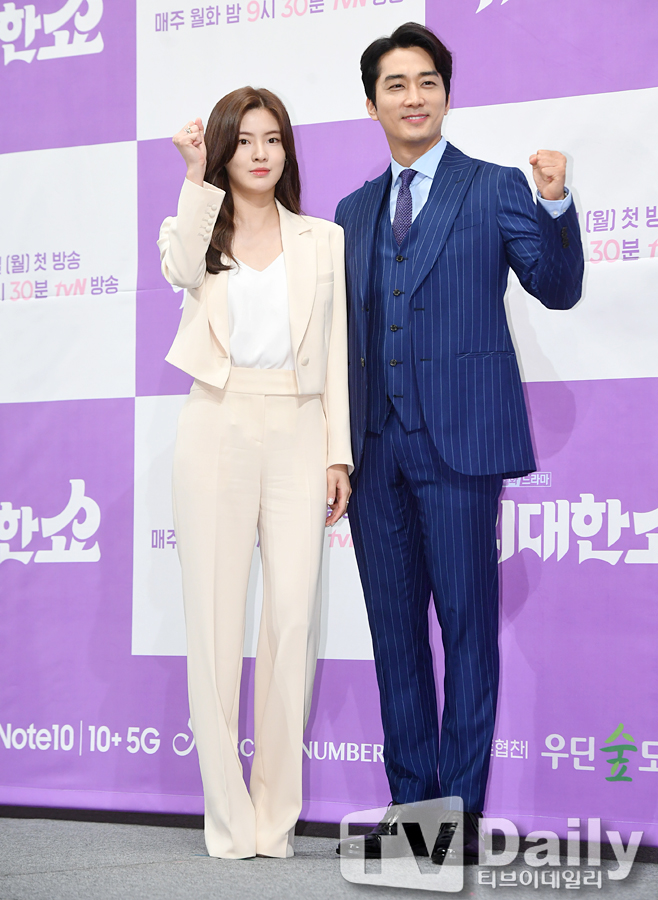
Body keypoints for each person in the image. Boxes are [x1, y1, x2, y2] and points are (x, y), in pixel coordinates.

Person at [335, 23, 583, 863]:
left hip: (462, 446)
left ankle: (459, 819)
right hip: (375, 452)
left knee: (469, 633)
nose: (414, 97)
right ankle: (414, 819)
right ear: (371, 104)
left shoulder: (495, 186)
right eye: (396, 85)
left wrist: (555, 204)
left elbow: (557, 288)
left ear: (446, 92)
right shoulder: (351, 212)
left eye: (428, 82)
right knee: (396, 637)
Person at [158, 87, 352, 860]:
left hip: (299, 425)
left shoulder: (323, 238)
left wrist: (337, 453)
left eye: (273, 139)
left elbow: (335, 350)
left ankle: (274, 820)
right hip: (217, 420)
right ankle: (230, 819)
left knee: (292, 620)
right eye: (245, 141)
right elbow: (180, 268)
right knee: (212, 621)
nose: (262, 153)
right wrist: (194, 175)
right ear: (225, 150)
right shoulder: (194, 227)